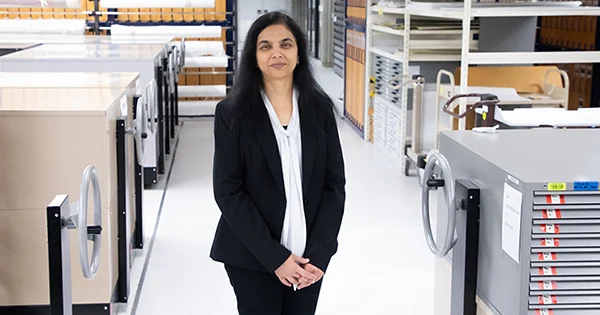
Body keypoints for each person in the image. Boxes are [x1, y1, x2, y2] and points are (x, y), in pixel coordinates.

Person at [210, 11, 346, 315]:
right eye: (265, 46)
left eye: (286, 45)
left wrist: (320, 255)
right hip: (252, 256)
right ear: (254, 58)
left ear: (298, 54)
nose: (276, 53)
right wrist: (276, 259)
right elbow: (228, 192)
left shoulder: (319, 109)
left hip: (309, 259)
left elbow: (334, 186)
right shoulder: (232, 113)